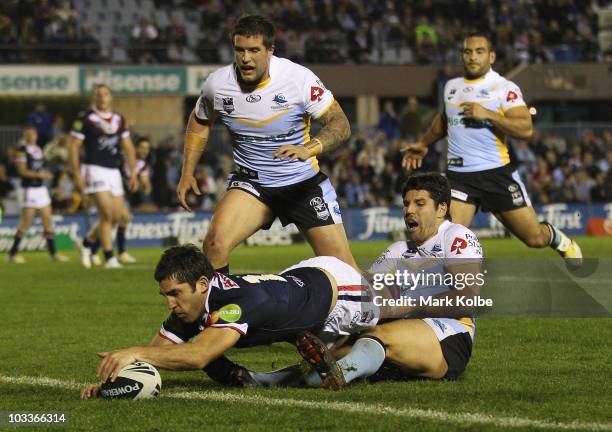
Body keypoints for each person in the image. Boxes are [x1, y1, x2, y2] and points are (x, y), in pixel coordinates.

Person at [80, 243, 433, 399]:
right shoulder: (193, 304)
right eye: (166, 296)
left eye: (175, 294)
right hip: (302, 279)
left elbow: (198, 356)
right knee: (315, 364)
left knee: (396, 314)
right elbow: (158, 353)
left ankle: (341, 365)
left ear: (202, 284)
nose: (171, 303)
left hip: (341, 293)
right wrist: (114, 382)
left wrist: (129, 352)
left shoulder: (233, 305)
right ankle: (294, 356)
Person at [246, 173, 482, 389]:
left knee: (377, 335)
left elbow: (468, 298)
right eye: (406, 204)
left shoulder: (456, 235)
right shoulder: (399, 249)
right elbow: (366, 288)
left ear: (442, 209)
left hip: (449, 335)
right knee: (337, 347)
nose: (409, 210)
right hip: (404, 328)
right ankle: (267, 379)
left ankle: (340, 376)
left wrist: (404, 308)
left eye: (420, 204)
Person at [176, 15, 356, 273]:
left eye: (254, 50)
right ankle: (217, 312)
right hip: (254, 184)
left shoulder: (298, 79)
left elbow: (340, 124)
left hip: (302, 184)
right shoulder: (217, 85)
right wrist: (187, 173)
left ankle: (398, 299)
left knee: (345, 271)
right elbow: (200, 122)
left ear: (270, 51)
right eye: (239, 50)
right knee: (215, 244)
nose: (245, 58)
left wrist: (309, 148)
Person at [402, 32, 582, 266]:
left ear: (492, 56)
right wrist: (424, 144)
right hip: (459, 178)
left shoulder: (503, 88)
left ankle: (560, 240)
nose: (473, 57)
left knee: (534, 238)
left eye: (479, 52)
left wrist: (487, 114)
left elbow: (525, 129)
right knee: (441, 239)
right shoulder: (451, 87)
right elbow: (445, 119)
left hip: (496, 174)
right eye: (468, 52)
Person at [70, 84, 138, 269]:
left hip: (114, 171)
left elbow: (128, 147)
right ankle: (109, 257)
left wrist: (133, 173)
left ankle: (87, 243)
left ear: (110, 97)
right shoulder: (85, 118)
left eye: (105, 94)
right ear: (94, 98)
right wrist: (76, 173)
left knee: (117, 217)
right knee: (107, 214)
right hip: (94, 169)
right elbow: (74, 146)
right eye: (98, 94)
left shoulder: (119, 119)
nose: (102, 97)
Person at [7, 125, 69, 263]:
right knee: (26, 223)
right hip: (29, 190)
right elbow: (22, 171)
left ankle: (54, 253)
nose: (32, 135)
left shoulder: (39, 150)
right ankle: (12, 254)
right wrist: (41, 174)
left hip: (41, 189)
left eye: (34, 133)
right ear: (25, 134)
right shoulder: (22, 151)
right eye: (29, 133)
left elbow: (41, 166)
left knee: (48, 220)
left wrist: (51, 173)